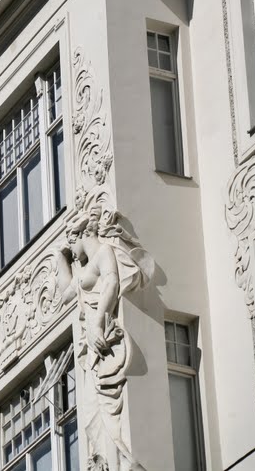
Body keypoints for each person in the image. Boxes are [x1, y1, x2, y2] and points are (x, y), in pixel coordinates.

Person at [52, 188, 152, 471]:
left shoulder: (104, 253)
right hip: (92, 348)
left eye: (71, 242)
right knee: (89, 412)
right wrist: (60, 258)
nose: (71, 250)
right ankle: (108, 460)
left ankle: (122, 460)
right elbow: (67, 294)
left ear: (83, 233)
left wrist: (97, 323)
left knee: (105, 407)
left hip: (103, 338)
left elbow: (111, 283)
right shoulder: (83, 269)